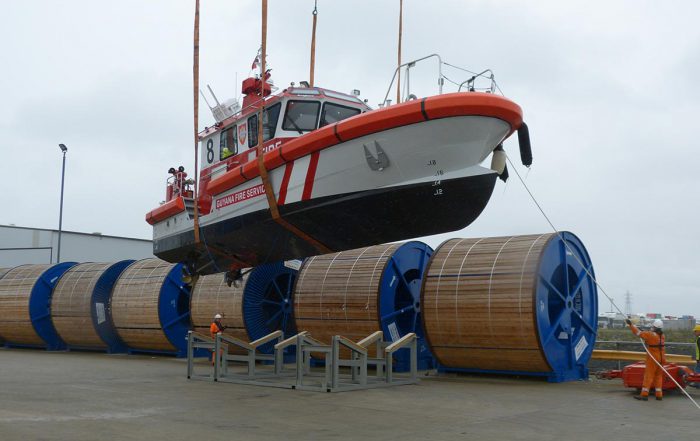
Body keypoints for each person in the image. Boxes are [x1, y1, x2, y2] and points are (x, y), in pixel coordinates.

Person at [626, 318, 665, 401]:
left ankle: (644, 394)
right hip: (661, 358)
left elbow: (638, 333)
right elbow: (647, 334)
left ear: (655, 327)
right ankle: (659, 395)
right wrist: (643, 331)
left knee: (649, 376)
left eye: (653, 326)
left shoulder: (650, 335)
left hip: (653, 358)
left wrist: (630, 325)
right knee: (658, 376)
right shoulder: (662, 336)